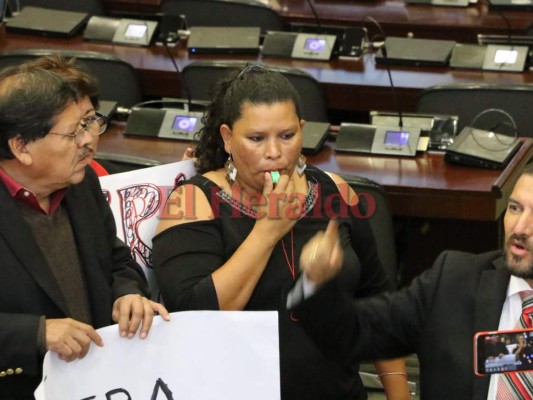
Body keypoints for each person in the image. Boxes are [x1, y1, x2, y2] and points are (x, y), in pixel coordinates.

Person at [152, 65, 410, 400]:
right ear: (228, 138)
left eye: (287, 136)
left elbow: (377, 305)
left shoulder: (336, 191)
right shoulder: (193, 200)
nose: (274, 153)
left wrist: (399, 395)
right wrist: (267, 230)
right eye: (256, 139)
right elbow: (195, 319)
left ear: (302, 131)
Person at [290, 162, 533, 399]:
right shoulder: (454, 280)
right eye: (515, 208)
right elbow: (353, 332)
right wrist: (316, 283)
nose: (520, 228)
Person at [0, 60, 169, 399]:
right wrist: (35, 332)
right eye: (74, 131)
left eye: (91, 123)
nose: (90, 140)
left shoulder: (82, 181)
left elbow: (116, 259)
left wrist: (127, 293)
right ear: (21, 147)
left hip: (96, 384)